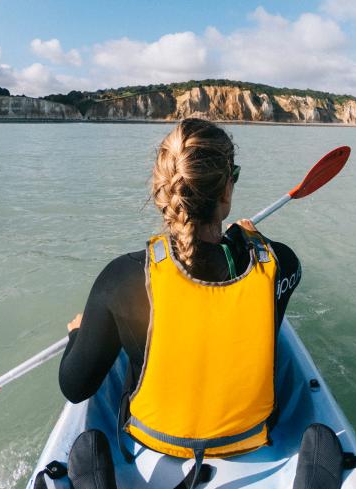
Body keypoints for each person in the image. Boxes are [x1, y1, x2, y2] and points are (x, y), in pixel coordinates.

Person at [58, 118, 301, 488]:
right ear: (226, 192)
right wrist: (251, 240)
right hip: (249, 438)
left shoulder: (122, 278)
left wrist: (78, 335)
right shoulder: (281, 262)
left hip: (154, 440)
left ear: (162, 188)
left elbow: (75, 387)